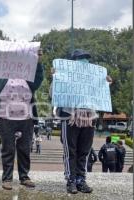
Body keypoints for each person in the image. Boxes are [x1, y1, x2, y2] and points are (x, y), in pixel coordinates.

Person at [52, 49, 113, 194]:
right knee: (70, 150)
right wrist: (56, 77)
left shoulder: (91, 78)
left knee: (84, 151)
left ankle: (81, 179)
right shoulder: (63, 77)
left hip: (89, 117)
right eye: (81, 58)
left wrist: (106, 84)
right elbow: (53, 94)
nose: (85, 61)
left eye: (86, 58)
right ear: (72, 62)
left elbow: (99, 92)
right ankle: (71, 179)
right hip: (69, 116)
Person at [0, 48, 44, 190]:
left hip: (26, 118)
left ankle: (24, 177)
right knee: (8, 149)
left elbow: (39, 78)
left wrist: (38, 60)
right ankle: (7, 179)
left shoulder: (28, 74)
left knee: (24, 148)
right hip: (6, 117)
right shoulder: (0, 73)